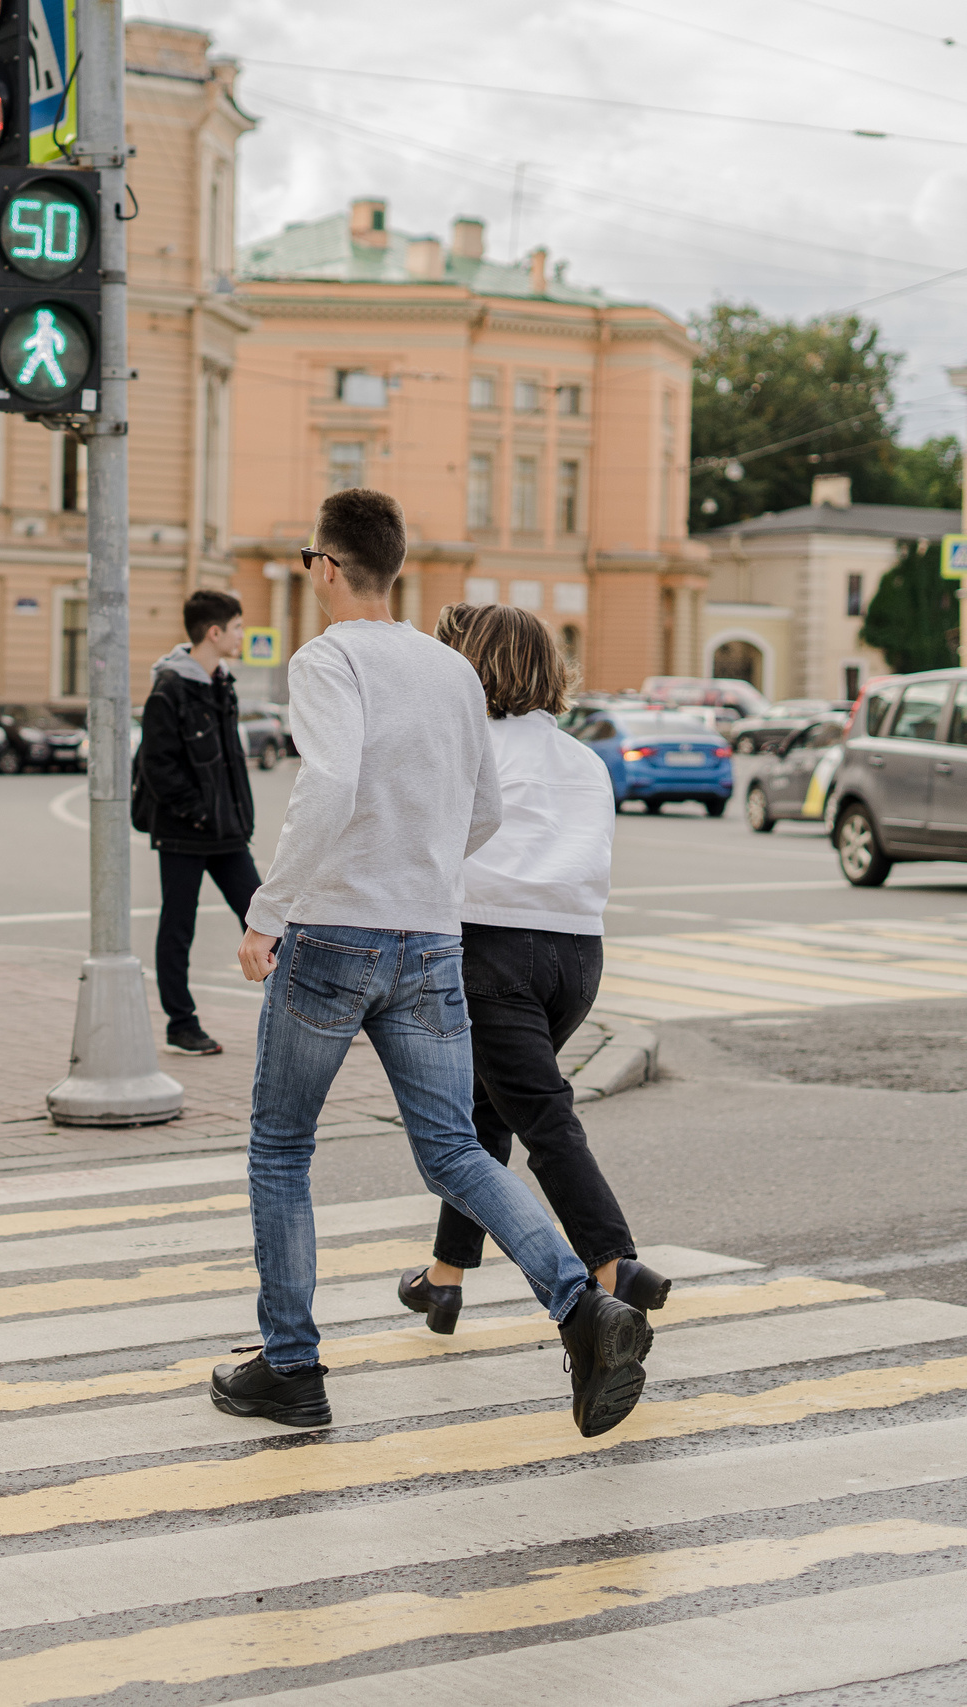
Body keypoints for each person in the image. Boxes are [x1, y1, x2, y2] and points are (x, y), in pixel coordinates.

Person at [213, 489, 653, 1440]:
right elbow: (484, 809)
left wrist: (267, 909)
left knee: (282, 1146)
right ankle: (581, 1308)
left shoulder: (328, 658)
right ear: (396, 567)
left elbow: (326, 786)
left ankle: (290, 1365)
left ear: (326, 567)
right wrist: (423, 870)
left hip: (334, 933)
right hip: (431, 942)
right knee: (455, 1147)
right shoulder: (451, 671)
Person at [395, 604, 669, 1340]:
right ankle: (445, 1278)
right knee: (488, 1113)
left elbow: (427, 848)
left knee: (541, 1118)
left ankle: (613, 1264)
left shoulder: (466, 745)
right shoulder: (581, 757)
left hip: (492, 952)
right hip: (577, 958)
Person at [135, 588, 260, 1057]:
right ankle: (181, 1024)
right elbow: (158, 767)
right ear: (214, 632)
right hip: (185, 833)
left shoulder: (221, 682)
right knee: (177, 928)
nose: (242, 636)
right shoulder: (169, 689)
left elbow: (230, 763)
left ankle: (304, 1011)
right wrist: (202, 812)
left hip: (227, 834)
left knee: (264, 916)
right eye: (237, 628)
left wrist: (235, 816)